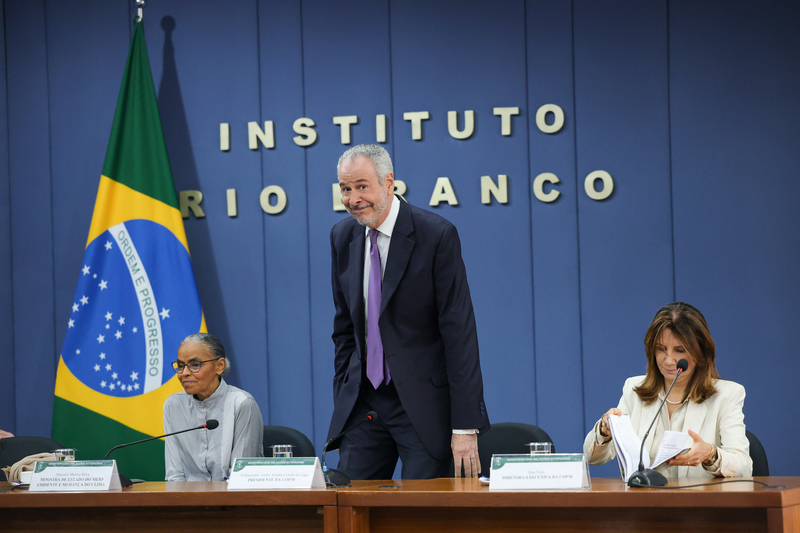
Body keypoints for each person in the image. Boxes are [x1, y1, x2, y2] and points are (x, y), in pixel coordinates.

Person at [328, 144, 489, 480]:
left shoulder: (436, 235)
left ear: (388, 183)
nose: (353, 199)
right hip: (364, 405)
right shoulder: (342, 236)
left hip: (423, 406)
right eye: (345, 189)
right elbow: (344, 331)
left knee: (423, 507)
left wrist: (465, 426)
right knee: (348, 502)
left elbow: (459, 334)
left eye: (362, 186)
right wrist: (343, 408)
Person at [584, 302, 752, 478]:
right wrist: (605, 430)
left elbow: (744, 467)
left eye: (679, 350)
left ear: (700, 352)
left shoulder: (727, 395)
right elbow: (592, 457)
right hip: (646, 495)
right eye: (661, 349)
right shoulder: (634, 391)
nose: (669, 360)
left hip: (700, 496)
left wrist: (710, 454)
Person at [163, 333, 263, 481]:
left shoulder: (241, 403)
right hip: (187, 495)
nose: (184, 373)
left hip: (230, 495)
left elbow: (240, 476)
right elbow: (174, 475)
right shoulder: (174, 405)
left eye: (195, 365)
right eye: (181, 366)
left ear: (219, 366)